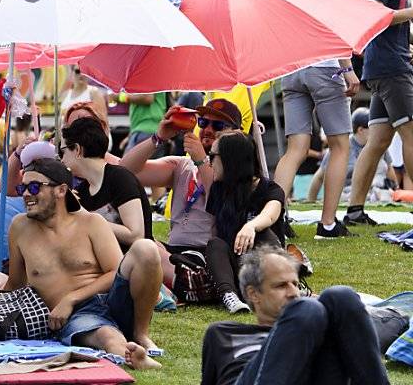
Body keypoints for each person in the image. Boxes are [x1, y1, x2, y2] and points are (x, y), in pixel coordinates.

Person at [4, 158, 162, 370]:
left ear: (61, 190)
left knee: (146, 249)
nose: (25, 194)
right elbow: (15, 285)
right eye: (22, 187)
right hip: (77, 315)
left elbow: (114, 272)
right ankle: (132, 355)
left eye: (34, 187)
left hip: (112, 300)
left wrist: (71, 297)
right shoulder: (19, 227)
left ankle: (140, 335)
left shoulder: (91, 222)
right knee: (106, 335)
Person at [272, 0, 357, 239]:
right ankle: (329, 223)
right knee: (339, 145)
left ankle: (275, 218)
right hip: (325, 66)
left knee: (295, 147)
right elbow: (336, 21)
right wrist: (347, 66)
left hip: (294, 67)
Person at [201, 246, 389, 385]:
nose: (293, 293)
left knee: (341, 296)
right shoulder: (223, 333)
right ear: (253, 294)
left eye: (295, 284)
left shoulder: (316, 334)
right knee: (307, 308)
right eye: (281, 286)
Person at [119, 99, 243, 287]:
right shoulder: (182, 165)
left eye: (217, 125)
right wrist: (158, 137)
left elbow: (218, 203)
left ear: (235, 133)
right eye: (203, 122)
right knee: (138, 245)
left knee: (143, 253)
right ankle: (167, 285)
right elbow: (125, 171)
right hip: (173, 253)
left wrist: (202, 160)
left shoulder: (237, 169)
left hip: (208, 256)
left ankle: (168, 285)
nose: (208, 129)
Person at [346, 0, 413, 227]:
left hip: (387, 66)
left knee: (377, 142)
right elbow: (371, 18)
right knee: (411, 135)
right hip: (391, 69)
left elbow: (390, 23)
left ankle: (355, 211)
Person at [203, 132, 287, 314]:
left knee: (264, 233)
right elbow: (213, 230)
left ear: (230, 159)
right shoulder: (218, 189)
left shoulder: (269, 189)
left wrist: (251, 226)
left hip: (266, 263)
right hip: (235, 265)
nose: (209, 162)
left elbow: (271, 214)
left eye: (212, 156)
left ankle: (275, 288)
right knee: (214, 244)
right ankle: (230, 296)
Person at [61, 117, 153, 251]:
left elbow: (136, 235)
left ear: (77, 149)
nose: (61, 160)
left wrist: (84, 216)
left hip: (133, 263)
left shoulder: (119, 178)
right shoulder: (80, 192)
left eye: (63, 152)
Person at [307, 108, 396, 206]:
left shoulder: (379, 145)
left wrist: (397, 191)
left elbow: (390, 173)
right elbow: (319, 177)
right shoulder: (341, 147)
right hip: (348, 194)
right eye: (373, 127)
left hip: (379, 192)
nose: (377, 131)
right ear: (361, 130)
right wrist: (311, 202)